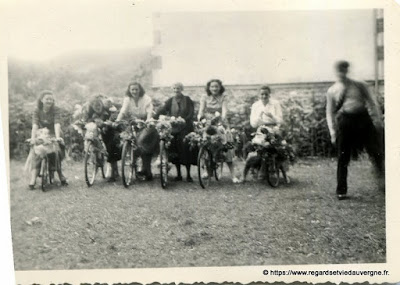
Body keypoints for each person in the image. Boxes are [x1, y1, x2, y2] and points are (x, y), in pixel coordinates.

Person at [326, 60, 384, 200]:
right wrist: (333, 132)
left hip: (363, 120)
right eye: (340, 70)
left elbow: (372, 102)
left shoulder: (359, 85)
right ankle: (341, 190)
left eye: (344, 70)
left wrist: (378, 121)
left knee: (375, 151)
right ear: (336, 72)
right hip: (346, 122)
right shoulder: (332, 90)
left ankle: (384, 182)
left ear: (347, 70)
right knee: (343, 156)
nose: (342, 73)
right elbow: (329, 112)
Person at [198, 79, 240, 183]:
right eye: (212, 86)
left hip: (220, 122)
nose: (214, 88)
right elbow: (201, 110)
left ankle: (233, 175)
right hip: (208, 122)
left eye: (216, 86)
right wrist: (199, 118)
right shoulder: (204, 97)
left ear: (220, 87)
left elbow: (224, 110)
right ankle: (205, 170)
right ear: (209, 87)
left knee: (227, 145)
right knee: (204, 142)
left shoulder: (223, 97)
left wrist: (221, 120)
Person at [116, 82, 159, 181]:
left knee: (143, 141)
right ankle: (137, 168)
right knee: (130, 140)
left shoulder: (146, 99)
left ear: (140, 90)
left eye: (136, 89)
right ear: (129, 90)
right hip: (133, 122)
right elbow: (123, 110)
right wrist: (117, 120)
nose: (134, 91)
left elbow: (149, 111)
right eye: (132, 90)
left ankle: (145, 170)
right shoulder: (127, 99)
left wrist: (148, 121)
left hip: (146, 123)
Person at [155, 82, 196, 182]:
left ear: (181, 89)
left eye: (178, 88)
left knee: (186, 148)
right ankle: (178, 174)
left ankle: (189, 175)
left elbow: (191, 112)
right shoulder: (170, 100)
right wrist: (154, 117)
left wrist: (184, 119)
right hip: (174, 128)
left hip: (186, 127)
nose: (176, 90)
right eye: (174, 89)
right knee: (175, 150)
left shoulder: (187, 99)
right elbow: (163, 110)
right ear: (172, 90)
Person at [248, 85, 290, 183]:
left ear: (269, 94)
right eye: (262, 94)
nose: (264, 96)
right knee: (259, 146)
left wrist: (272, 116)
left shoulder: (275, 104)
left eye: (266, 94)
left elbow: (280, 120)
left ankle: (284, 173)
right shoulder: (255, 105)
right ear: (259, 95)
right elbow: (253, 123)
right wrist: (259, 116)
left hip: (274, 128)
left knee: (281, 147)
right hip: (261, 129)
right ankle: (261, 169)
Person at [28, 90, 68, 189]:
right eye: (47, 99)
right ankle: (33, 179)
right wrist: (33, 138)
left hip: (54, 132)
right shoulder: (37, 110)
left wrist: (58, 137)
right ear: (42, 100)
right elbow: (35, 125)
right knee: (36, 151)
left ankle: (60, 175)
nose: (49, 101)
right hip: (42, 133)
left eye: (51, 99)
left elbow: (57, 123)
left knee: (56, 151)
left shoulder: (56, 109)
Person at [82, 95, 121, 182]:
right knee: (93, 143)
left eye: (99, 105)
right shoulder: (90, 113)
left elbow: (114, 120)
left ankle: (114, 172)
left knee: (111, 146)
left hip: (109, 131)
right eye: (95, 106)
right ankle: (96, 163)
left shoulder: (109, 111)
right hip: (97, 132)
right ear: (92, 107)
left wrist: (109, 123)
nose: (98, 108)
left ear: (102, 105)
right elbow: (86, 121)